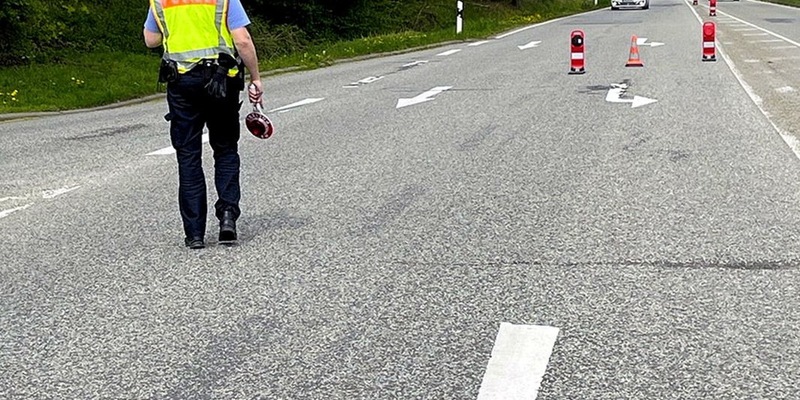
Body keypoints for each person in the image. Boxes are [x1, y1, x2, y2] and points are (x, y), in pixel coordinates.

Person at [143, 0, 263, 249]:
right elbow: (242, 39)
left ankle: (194, 233)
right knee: (226, 148)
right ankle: (228, 217)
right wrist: (256, 77)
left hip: (181, 83)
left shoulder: (160, 1)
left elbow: (150, 39)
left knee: (188, 157)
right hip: (221, 81)